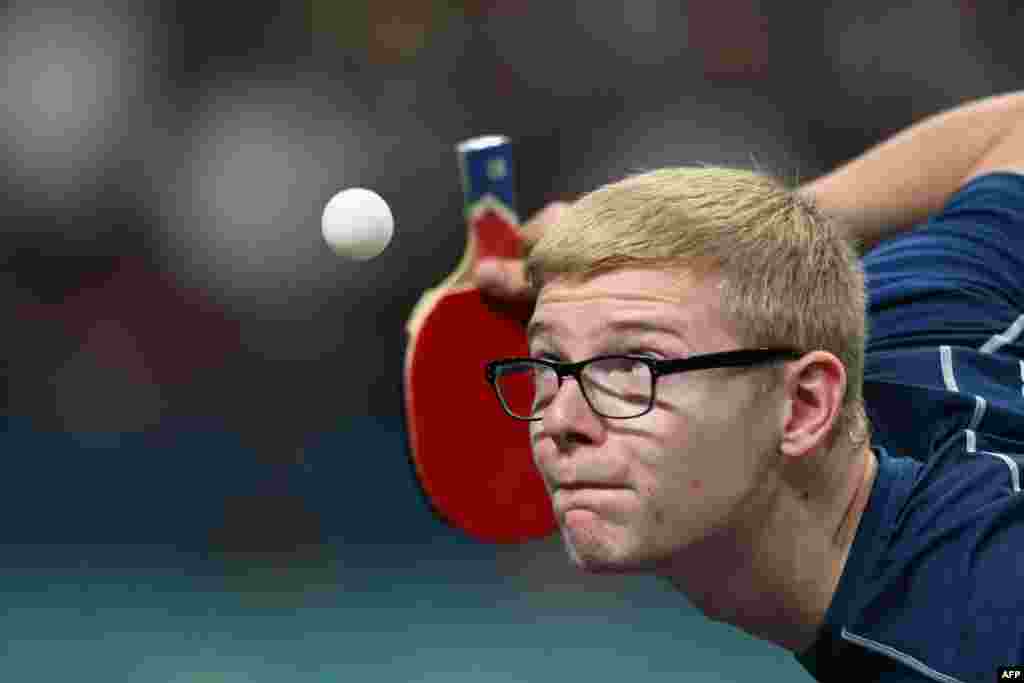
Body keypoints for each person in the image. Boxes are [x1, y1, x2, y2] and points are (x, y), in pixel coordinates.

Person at [475, 91, 1024, 682]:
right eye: (549, 364)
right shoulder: (908, 321)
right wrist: (751, 244)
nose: (560, 421)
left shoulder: (972, 636)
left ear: (804, 406)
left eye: (635, 366)